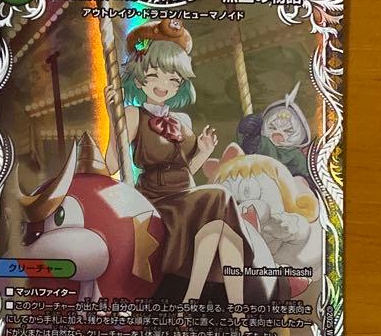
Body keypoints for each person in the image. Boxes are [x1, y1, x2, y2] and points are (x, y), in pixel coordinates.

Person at [109, 18, 276, 312]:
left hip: (187, 194)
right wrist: (113, 118)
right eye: (155, 75)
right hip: (160, 200)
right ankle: (198, 304)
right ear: (139, 78)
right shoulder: (133, 115)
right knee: (219, 197)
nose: (164, 85)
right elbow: (111, 162)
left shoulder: (181, 121)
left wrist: (204, 151)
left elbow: (187, 170)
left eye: (173, 79)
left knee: (222, 232)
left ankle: (229, 314)